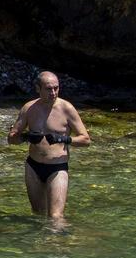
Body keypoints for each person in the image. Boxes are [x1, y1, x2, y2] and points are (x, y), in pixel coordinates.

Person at [11, 72, 90, 221]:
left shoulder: (67, 108)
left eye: (56, 88)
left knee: (55, 217)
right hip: (33, 167)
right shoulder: (29, 108)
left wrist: (64, 139)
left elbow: (86, 140)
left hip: (57, 167)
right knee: (38, 214)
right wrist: (25, 137)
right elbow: (11, 139)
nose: (53, 93)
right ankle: (40, 243)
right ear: (38, 88)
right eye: (48, 89)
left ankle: (61, 243)